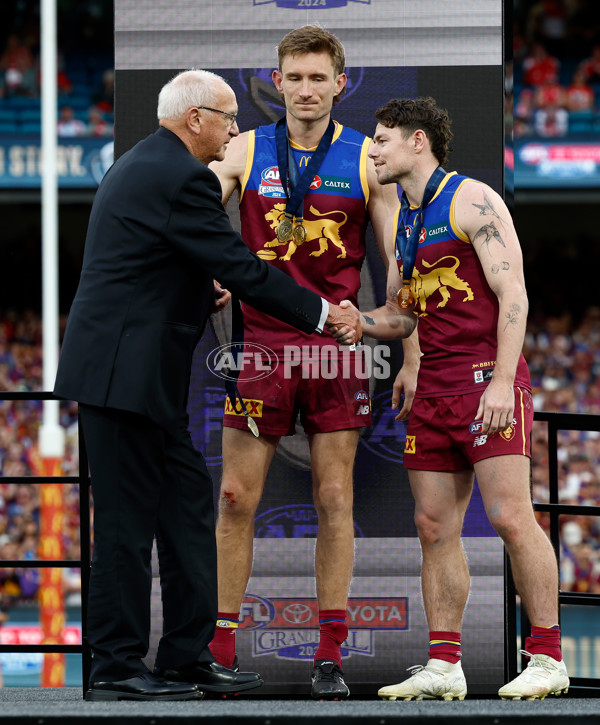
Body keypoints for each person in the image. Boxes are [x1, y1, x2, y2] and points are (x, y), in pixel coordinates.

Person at [53, 68, 361, 702]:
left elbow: (153, 258)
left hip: (141, 381)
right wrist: (325, 314)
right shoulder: (182, 177)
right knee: (124, 528)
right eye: (227, 116)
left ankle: (185, 656)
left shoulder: (147, 165)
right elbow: (242, 265)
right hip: (122, 379)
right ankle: (114, 666)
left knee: (190, 506)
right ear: (194, 119)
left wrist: (201, 286)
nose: (235, 127)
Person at [338, 96, 569, 701]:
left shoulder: (474, 200)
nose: (373, 150)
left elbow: (513, 295)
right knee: (433, 527)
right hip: (435, 387)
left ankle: (547, 656)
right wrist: (357, 321)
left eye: (383, 139)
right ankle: (445, 664)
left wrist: (500, 380)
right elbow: (400, 315)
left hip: (484, 381)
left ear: (419, 142)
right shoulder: (404, 221)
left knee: (510, 517)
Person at [207, 25, 414, 700]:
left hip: (335, 349)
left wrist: (407, 349)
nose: (304, 89)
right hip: (261, 345)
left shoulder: (363, 158)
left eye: (316, 77)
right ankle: (219, 645)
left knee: (333, 498)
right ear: (275, 82)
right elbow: (195, 214)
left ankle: (330, 653)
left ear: (339, 84)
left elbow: (398, 265)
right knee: (237, 497)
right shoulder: (244, 147)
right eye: (292, 77)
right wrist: (203, 272)